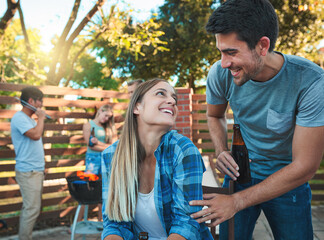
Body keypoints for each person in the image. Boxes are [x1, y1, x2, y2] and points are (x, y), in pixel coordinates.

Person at [189, 0, 324, 239]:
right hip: (240, 175)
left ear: (262, 46)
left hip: (287, 182)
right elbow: (214, 114)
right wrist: (221, 151)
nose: (224, 62)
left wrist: (237, 202)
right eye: (221, 51)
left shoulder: (311, 82)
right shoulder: (221, 73)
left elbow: (305, 167)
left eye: (231, 52)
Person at [101, 79, 213, 240]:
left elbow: (186, 223)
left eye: (174, 98)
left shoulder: (182, 150)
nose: (172, 101)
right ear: (136, 107)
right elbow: (114, 224)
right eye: (161, 93)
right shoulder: (111, 156)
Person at [11, 86, 47, 240]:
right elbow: (36, 135)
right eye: (40, 102)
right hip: (28, 171)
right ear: (31, 101)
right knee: (31, 209)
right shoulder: (19, 118)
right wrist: (42, 118)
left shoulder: (29, 119)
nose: (41, 106)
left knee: (33, 208)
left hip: (35, 170)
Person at [81, 104, 117, 221]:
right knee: (87, 189)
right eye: (105, 115)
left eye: (109, 117)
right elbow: (91, 146)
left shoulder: (109, 128)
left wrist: (100, 145)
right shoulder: (88, 125)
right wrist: (109, 146)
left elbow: (115, 145)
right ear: (100, 111)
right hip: (92, 161)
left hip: (107, 160)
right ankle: (78, 221)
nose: (106, 119)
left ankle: (102, 222)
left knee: (104, 190)